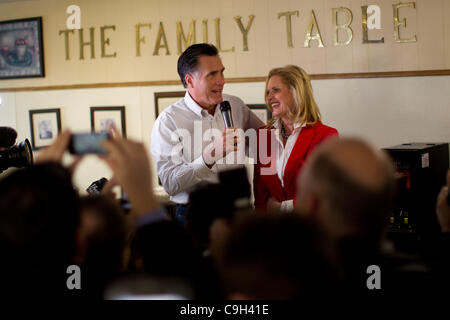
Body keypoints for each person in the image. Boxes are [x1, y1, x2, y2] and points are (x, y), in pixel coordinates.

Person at [151, 43, 263, 225]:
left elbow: (265, 146)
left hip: (239, 211)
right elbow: (170, 183)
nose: (221, 80)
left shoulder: (235, 105)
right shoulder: (168, 121)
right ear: (189, 81)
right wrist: (210, 156)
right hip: (195, 216)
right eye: (212, 74)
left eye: (222, 72)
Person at [253, 65, 338, 212]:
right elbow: (261, 197)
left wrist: (283, 208)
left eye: (276, 90)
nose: (269, 97)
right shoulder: (263, 136)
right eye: (268, 92)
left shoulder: (326, 136)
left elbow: (327, 194)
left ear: (295, 91)